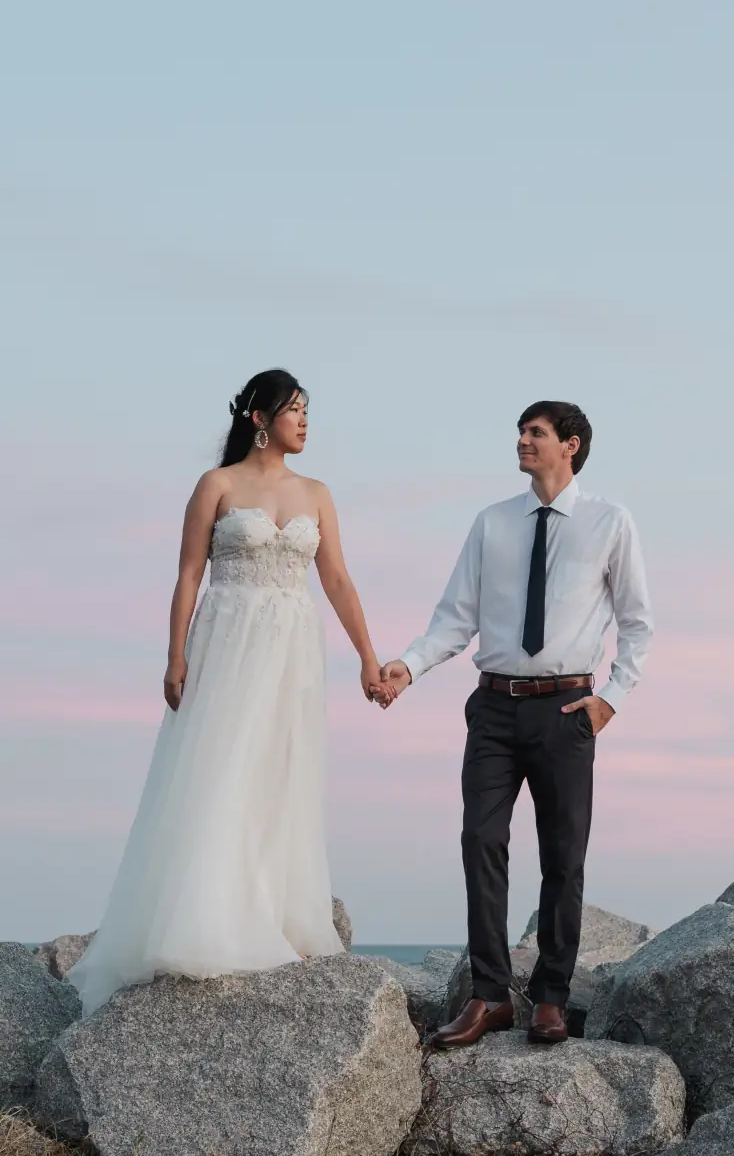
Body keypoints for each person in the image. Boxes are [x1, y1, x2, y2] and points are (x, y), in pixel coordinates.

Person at [68, 370, 392, 1013]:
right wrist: (175, 654)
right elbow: (189, 575)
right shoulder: (215, 486)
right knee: (219, 767)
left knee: (280, 771)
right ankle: (206, 918)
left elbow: (337, 580)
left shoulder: (317, 493)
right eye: (295, 410)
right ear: (259, 418)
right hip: (229, 637)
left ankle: (277, 918)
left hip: (293, 646)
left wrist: (368, 658)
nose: (305, 421)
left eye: (307, 411)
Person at [375, 401, 653, 1047]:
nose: (523, 441)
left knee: (563, 856)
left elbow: (638, 622)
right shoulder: (492, 523)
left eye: (537, 433)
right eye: (522, 432)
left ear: (571, 445)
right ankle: (491, 995)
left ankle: (552, 998)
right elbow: (454, 617)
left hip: (566, 710)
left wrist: (612, 697)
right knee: (480, 839)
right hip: (495, 708)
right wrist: (407, 667)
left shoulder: (611, 522)